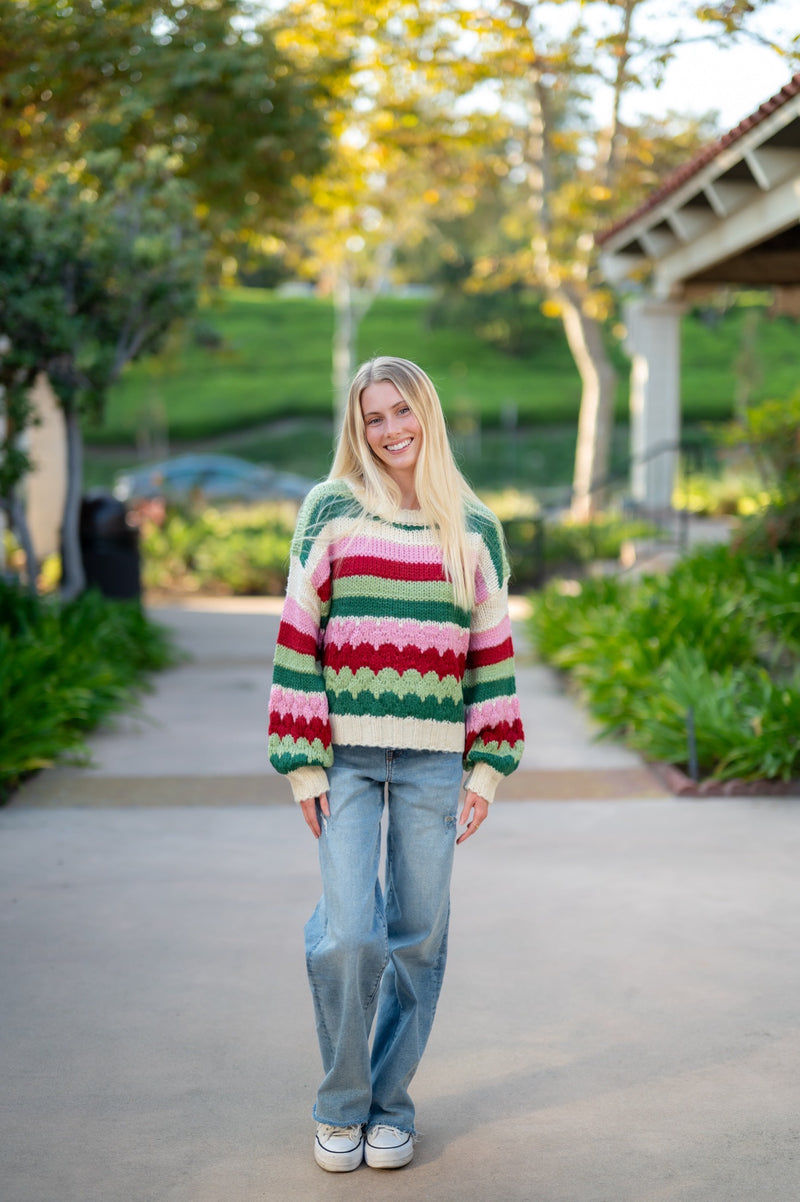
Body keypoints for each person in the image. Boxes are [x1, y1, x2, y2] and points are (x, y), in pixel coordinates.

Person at [268, 356, 524, 1172]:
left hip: (434, 766)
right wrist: (302, 763)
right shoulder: (331, 510)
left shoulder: (473, 525)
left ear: (428, 415)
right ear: (358, 427)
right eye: (374, 417)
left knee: (417, 939)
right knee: (348, 934)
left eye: (402, 412)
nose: (390, 431)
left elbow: (492, 655)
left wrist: (487, 769)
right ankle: (340, 1103)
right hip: (343, 758)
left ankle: (390, 1103)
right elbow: (297, 637)